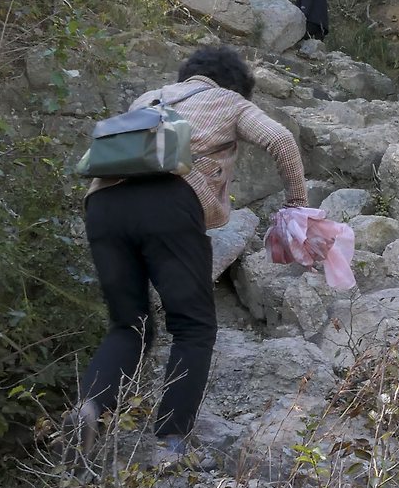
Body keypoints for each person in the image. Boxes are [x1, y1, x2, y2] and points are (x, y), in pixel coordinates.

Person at [72, 45, 309, 463]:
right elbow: (281, 139)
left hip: (103, 205)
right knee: (193, 326)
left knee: (128, 325)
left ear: (187, 75)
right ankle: (170, 443)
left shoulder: (148, 99)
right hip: (169, 201)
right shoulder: (229, 101)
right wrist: (297, 206)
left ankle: (89, 408)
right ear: (236, 84)